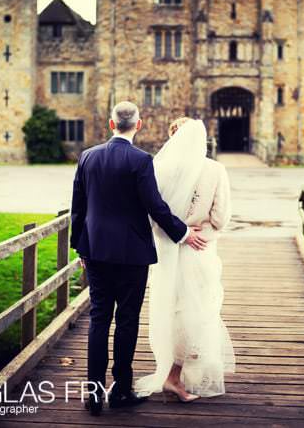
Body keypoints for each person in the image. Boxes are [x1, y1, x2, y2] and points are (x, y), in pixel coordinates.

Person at [70, 102, 207, 416]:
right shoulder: (141, 160)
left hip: (96, 252)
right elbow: (155, 207)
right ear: (139, 125)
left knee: (98, 320)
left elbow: (78, 208)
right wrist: (184, 233)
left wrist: (81, 249)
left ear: (110, 124)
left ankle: (93, 395)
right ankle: (119, 392)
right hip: (132, 254)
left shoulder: (87, 157)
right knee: (127, 321)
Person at [135, 117, 235, 402]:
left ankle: (172, 372)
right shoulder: (215, 170)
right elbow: (221, 217)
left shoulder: (162, 169)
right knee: (199, 310)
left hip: (168, 251)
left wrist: (174, 233)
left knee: (172, 309)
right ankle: (174, 377)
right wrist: (203, 232)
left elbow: (151, 214)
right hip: (199, 250)